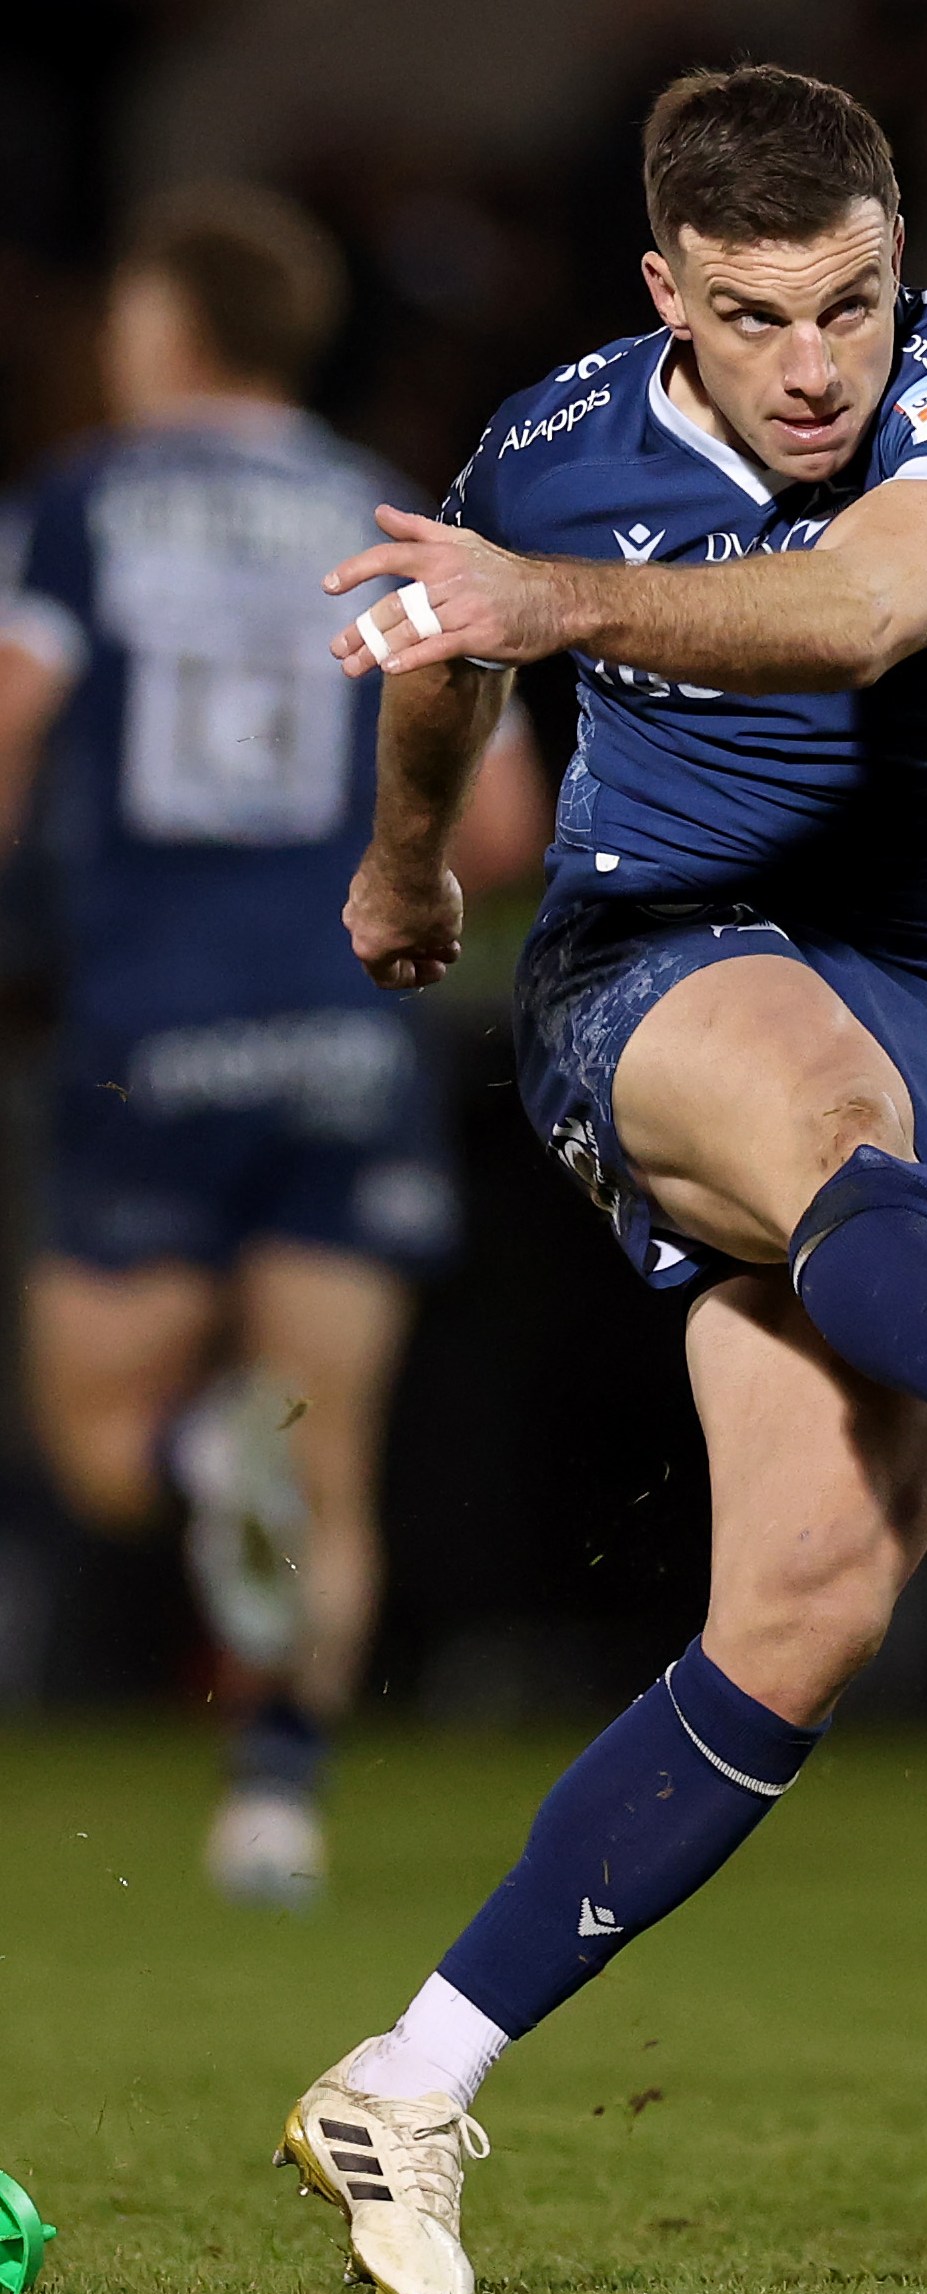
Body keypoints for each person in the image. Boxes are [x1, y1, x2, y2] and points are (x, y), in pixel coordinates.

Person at [273, 68, 927, 2294]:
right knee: (819, 1109)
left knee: (809, 1608)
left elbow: (855, 615)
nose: (815, 361)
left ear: (896, 259)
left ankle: (405, 2080)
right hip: (650, 969)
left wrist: (532, 610)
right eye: (755, 318)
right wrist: (398, 863)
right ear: (665, 289)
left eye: (848, 300)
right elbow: (442, 659)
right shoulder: (554, 448)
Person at [0, 183, 547, 1905]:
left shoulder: (82, 504)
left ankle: (188, 1458)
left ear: (164, 329)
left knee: (101, 1440)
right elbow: (508, 824)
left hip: (144, 1030)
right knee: (333, 1458)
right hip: (346, 1027)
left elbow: (10, 729)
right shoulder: (372, 515)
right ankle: (277, 1804)